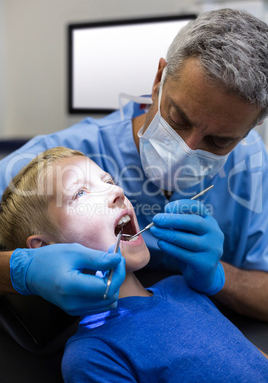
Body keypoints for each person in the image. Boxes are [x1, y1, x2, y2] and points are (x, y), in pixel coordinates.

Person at [0, 8, 268, 319]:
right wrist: (18, 272)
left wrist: (219, 276)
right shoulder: (58, 160)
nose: (187, 148)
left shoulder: (250, 160)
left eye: (219, 141)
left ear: (247, 132)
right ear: (159, 80)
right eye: (179, 118)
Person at [0, 147, 267, 382]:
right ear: (45, 250)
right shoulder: (93, 354)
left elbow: (253, 360)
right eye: (80, 193)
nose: (116, 191)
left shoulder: (182, 287)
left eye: (109, 180)